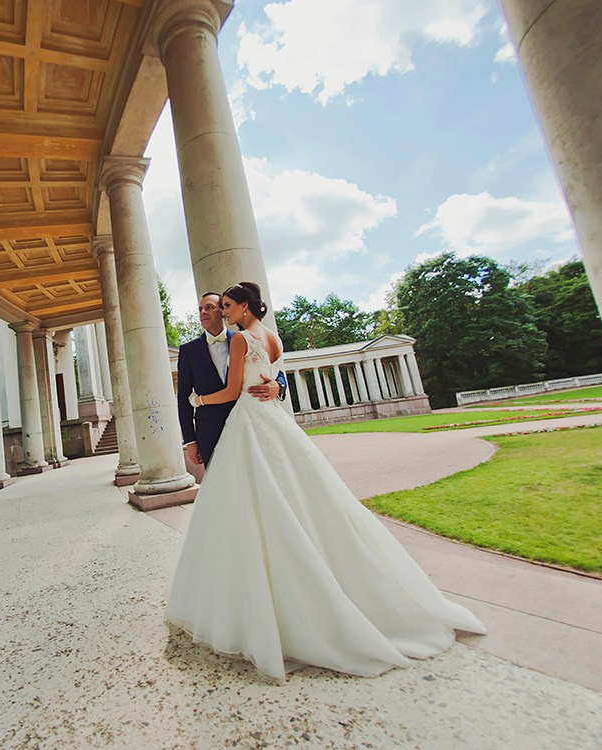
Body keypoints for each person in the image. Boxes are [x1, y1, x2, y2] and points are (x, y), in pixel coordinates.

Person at [165, 281, 486, 682]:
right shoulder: (218, 345)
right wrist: (190, 436)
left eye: (219, 306)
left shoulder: (240, 339)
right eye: (207, 309)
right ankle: (236, 595)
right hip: (228, 431)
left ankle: (267, 601)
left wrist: (267, 388)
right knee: (242, 505)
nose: (212, 313)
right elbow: (223, 386)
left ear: (237, 307)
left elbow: (265, 382)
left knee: (263, 499)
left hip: (248, 422)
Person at [177, 291, 286, 467]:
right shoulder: (188, 350)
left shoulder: (244, 339)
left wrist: (279, 385)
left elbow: (274, 368)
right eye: (200, 309)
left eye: (209, 307)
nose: (203, 312)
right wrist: (190, 440)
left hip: (249, 424)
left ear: (223, 311)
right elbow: (183, 397)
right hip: (209, 431)